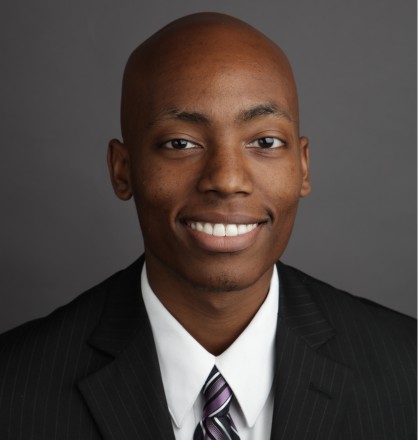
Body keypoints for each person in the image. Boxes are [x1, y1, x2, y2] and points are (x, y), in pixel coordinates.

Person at [0, 12, 415, 440]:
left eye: (265, 142)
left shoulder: (409, 373)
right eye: (180, 143)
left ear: (303, 166)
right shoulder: (13, 390)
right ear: (122, 170)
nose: (227, 179)